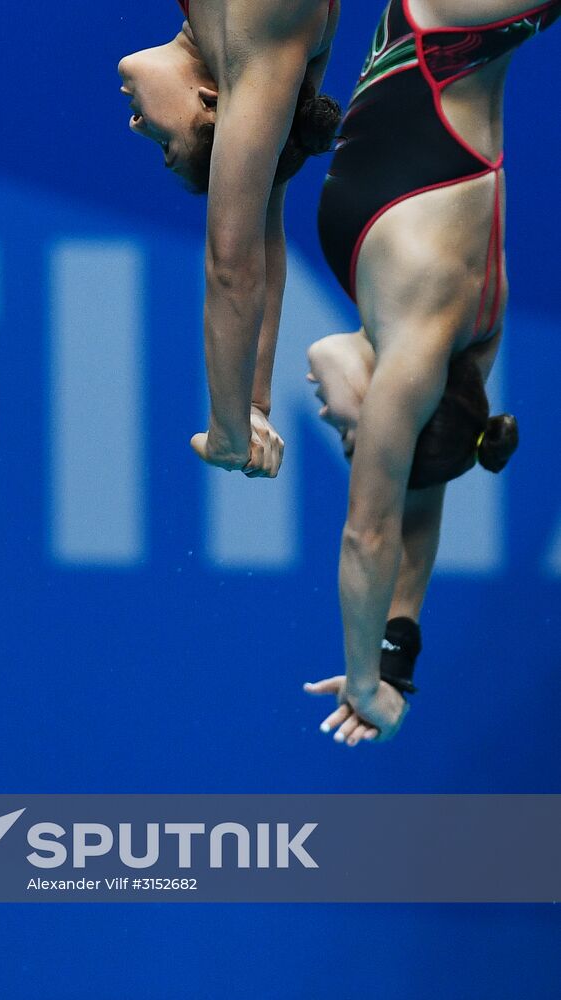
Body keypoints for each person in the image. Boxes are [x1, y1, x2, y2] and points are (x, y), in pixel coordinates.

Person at [303, 0, 557, 746]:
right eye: (357, 440)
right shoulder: (413, 351)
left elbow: (415, 515)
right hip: (445, 30)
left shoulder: (465, 350)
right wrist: (359, 679)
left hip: (454, 33)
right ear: (399, 410)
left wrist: (396, 660)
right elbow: (370, 535)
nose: (338, 427)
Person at [118, 1, 340, 479]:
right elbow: (234, 264)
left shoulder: (262, 43)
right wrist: (229, 428)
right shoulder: (261, 41)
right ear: (209, 102)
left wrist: (252, 404)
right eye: (166, 143)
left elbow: (264, 227)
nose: (135, 126)